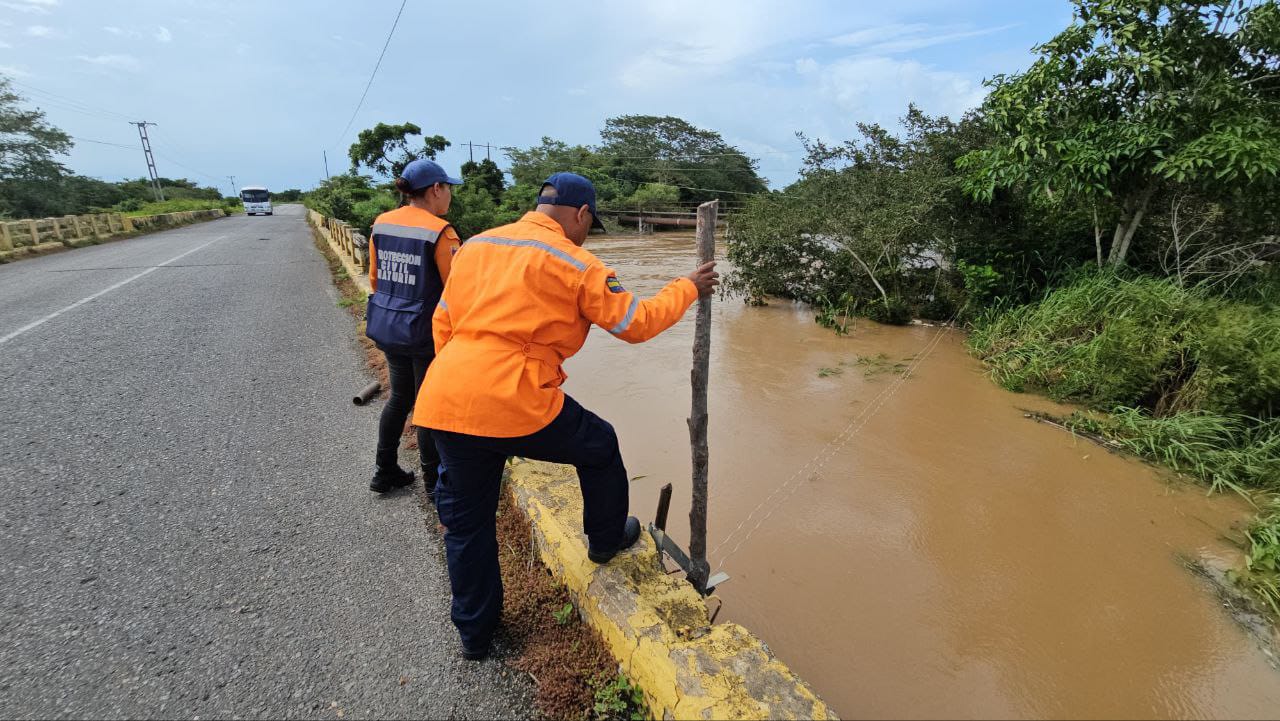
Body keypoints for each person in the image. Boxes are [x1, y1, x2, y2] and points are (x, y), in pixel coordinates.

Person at [415, 172, 719, 659]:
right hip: (518, 398)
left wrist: (465, 383)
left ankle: (475, 637)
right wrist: (686, 286)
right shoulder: (578, 262)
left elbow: (442, 321)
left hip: (447, 397)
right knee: (599, 445)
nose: (588, 231)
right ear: (580, 214)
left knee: (468, 526)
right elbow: (637, 324)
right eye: (590, 223)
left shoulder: (474, 246)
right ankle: (604, 539)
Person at [364, 159, 464, 495]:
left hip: (389, 325)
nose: (449, 195)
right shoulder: (441, 232)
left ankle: (384, 470)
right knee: (427, 406)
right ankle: (433, 483)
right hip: (425, 333)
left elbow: (375, 278)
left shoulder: (382, 223)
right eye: (448, 188)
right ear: (436, 189)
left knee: (400, 398)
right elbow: (458, 290)